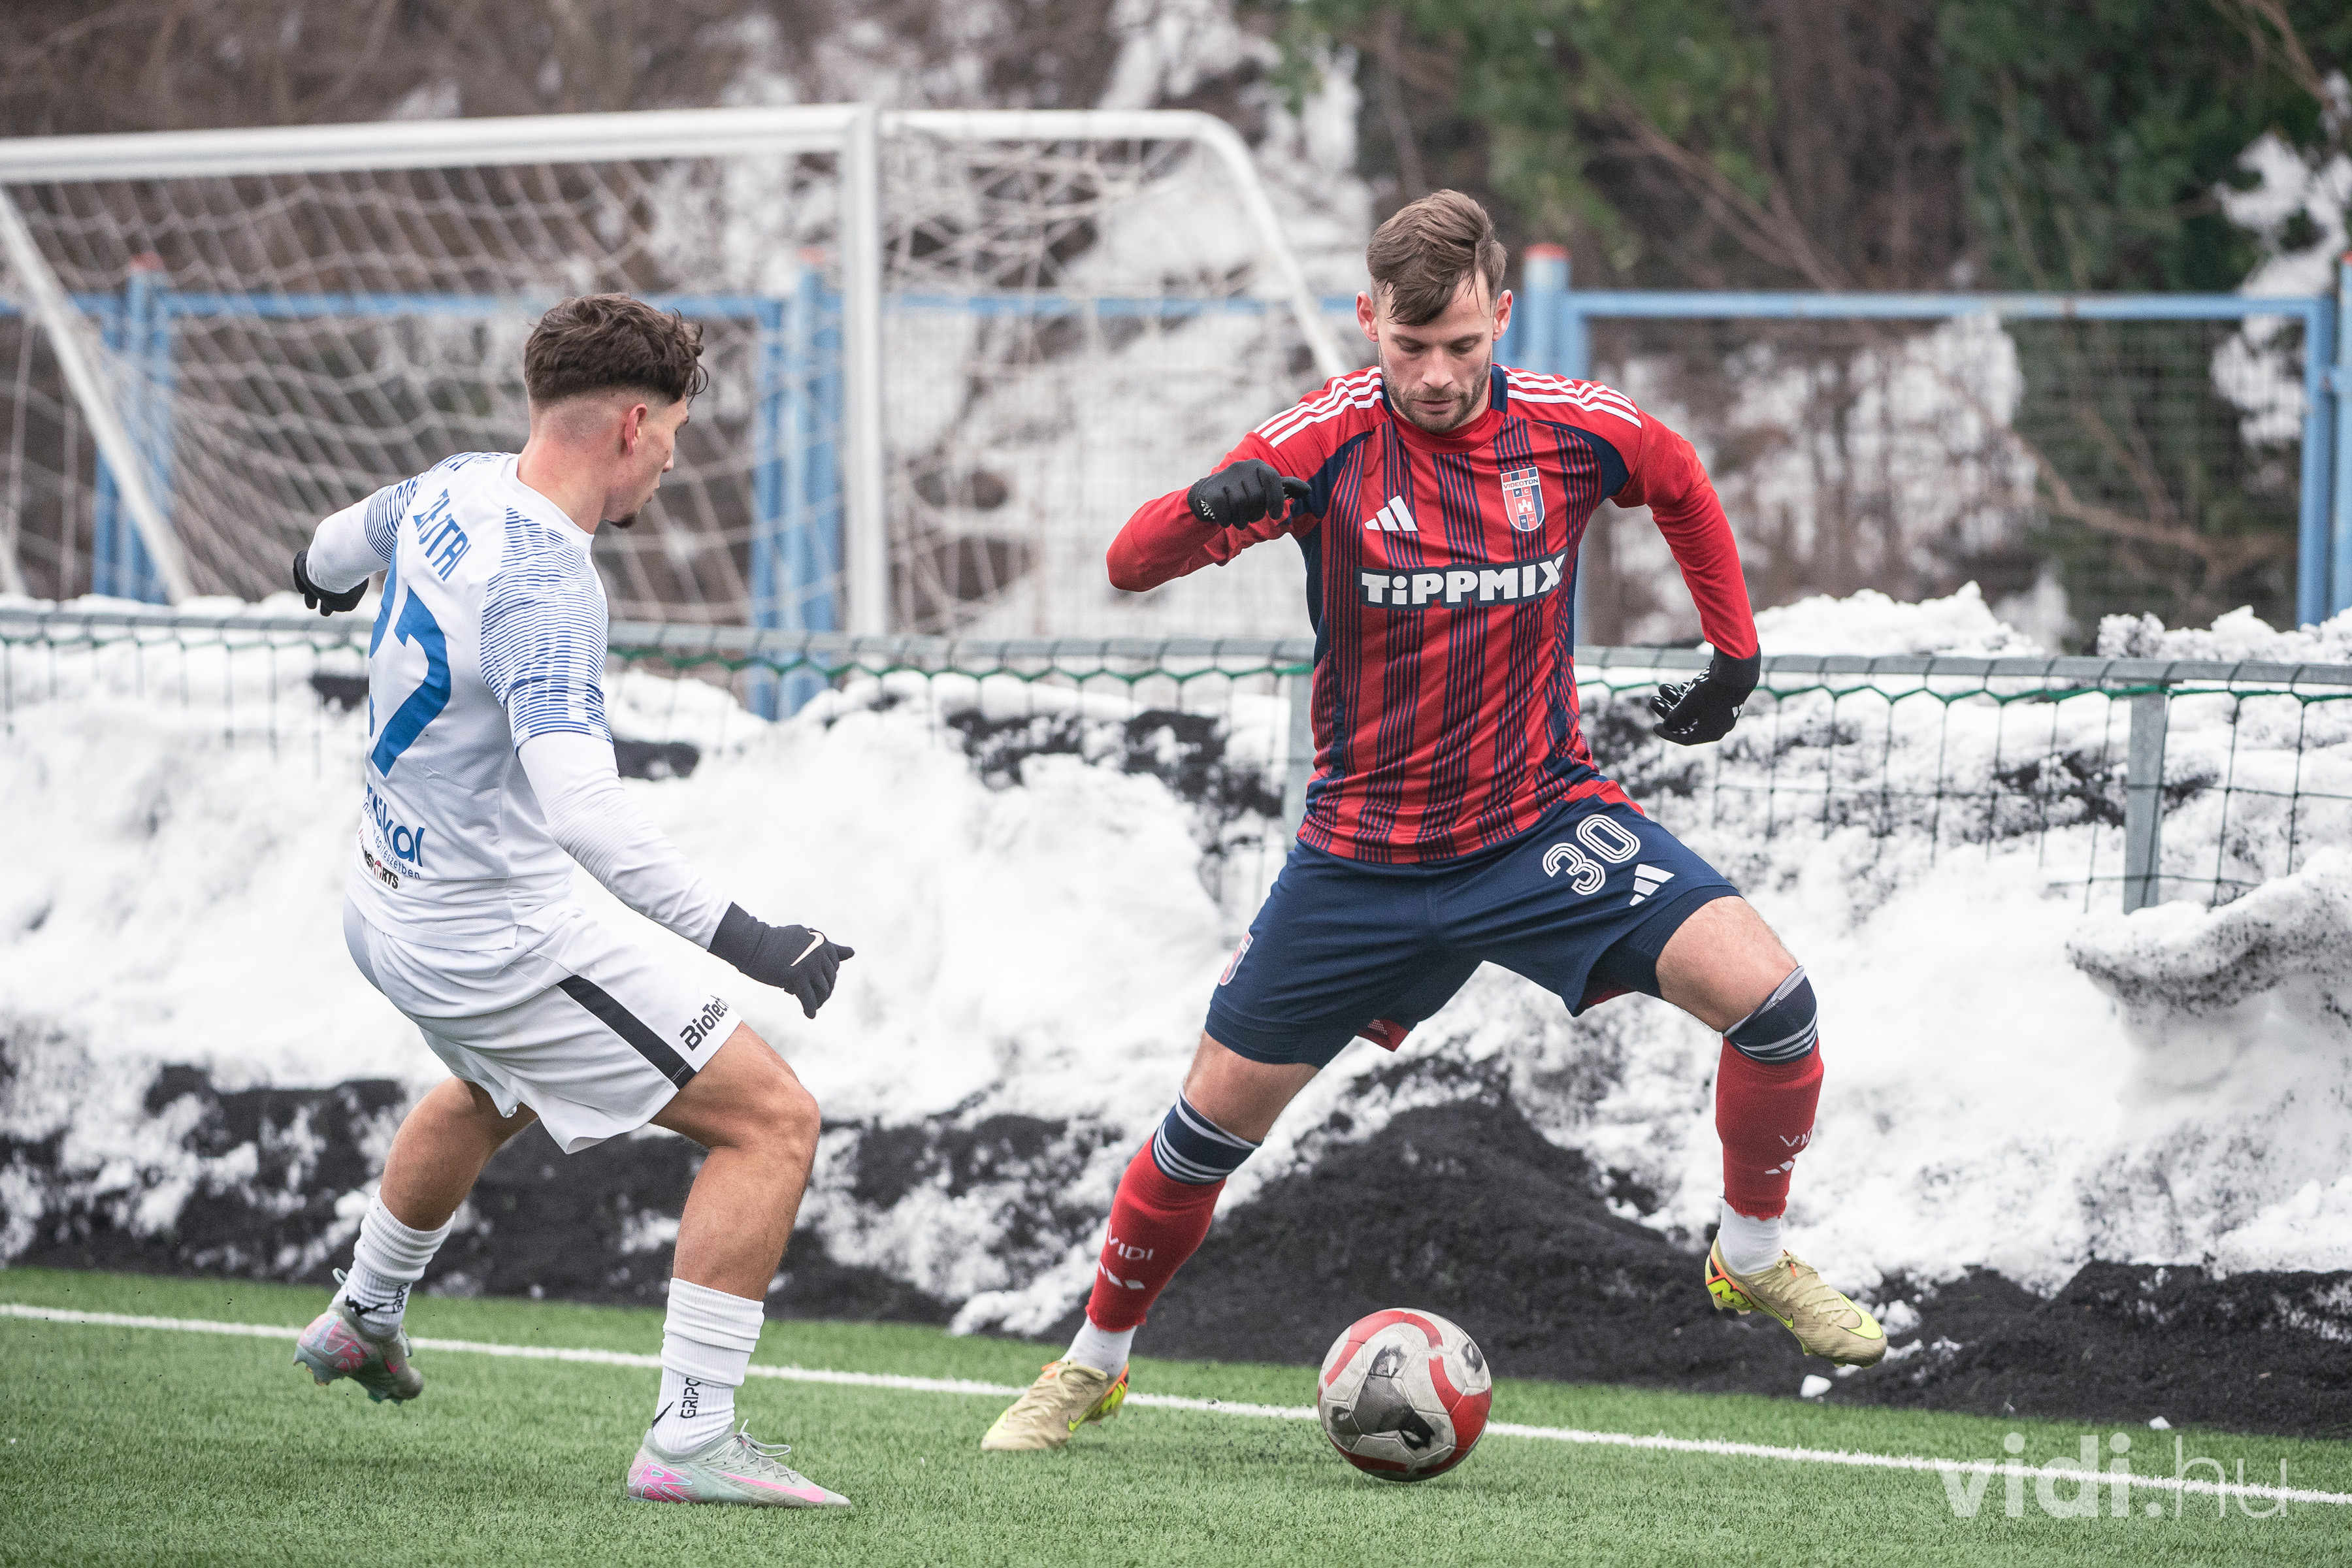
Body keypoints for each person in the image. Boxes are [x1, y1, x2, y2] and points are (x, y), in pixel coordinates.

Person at [980, 192, 1884, 1452]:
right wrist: (1209, 505)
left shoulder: (1570, 429)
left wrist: (1735, 653)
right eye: (1412, 348)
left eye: (1463, 345)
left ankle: (1753, 1253)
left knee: (1776, 1008)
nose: (1440, 374)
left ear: (1500, 315)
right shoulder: (1322, 445)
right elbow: (1131, 564)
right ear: (1370, 321)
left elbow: (1678, 478)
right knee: (1203, 1136)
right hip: (1360, 863)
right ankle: (1095, 1361)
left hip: (1538, 825)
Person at [287, 293, 858, 1509]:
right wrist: (755, 941)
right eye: (676, 436)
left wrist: (317, 577)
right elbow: (588, 815)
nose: (673, 462)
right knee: (772, 1121)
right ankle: (693, 1440)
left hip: (383, 899)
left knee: (497, 1087)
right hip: (491, 937)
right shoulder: (546, 586)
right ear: (634, 425)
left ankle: (364, 1313)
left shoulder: (457, 482)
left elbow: (339, 543)